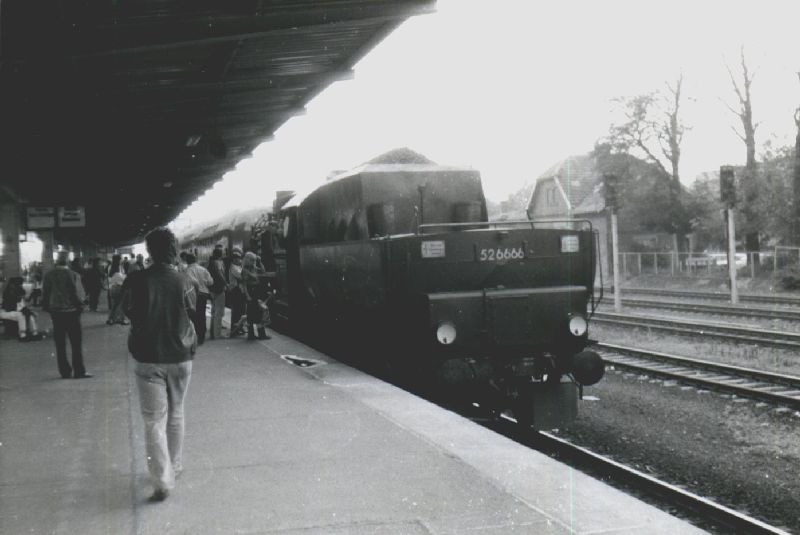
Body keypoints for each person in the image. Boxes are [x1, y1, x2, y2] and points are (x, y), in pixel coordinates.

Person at [120, 227, 197, 503]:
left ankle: (162, 480)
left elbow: (127, 310)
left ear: (149, 250)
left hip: (148, 356)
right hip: (181, 355)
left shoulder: (136, 279)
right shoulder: (184, 279)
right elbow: (193, 309)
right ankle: (174, 466)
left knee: (154, 420)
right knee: (176, 412)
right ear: (173, 248)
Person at [42, 251, 91, 379]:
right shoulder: (73, 275)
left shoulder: (48, 275)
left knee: (60, 344)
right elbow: (76, 293)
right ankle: (79, 371)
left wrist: (48, 308)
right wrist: (80, 307)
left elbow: (45, 294)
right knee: (76, 343)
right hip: (71, 312)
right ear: (68, 261)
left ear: (56, 261)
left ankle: (64, 372)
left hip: (56, 313)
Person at [182, 253, 212, 344]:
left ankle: (195, 335)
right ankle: (202, 336)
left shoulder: (186, 271)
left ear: (186, 261)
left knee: (193, 315)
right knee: (202, 314)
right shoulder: (203, 269)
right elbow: (210, 282)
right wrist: (204, 283)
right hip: (203, 294)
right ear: (196, 260)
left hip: (192, 295)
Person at [241, 252, 271, 341]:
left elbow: (263, 271)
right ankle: (253, 335)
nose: (253, 262)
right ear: (248, 260)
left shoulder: (253, 268)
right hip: (251, 292)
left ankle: (259, 334)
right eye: (252, 260)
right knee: (251, 313)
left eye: (254, 260)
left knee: (259, 312)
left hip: (256, 292)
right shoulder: (245, 271)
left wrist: (259, 261)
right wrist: (247, 296)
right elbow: (244, 285)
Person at [1, 277, 40, 341]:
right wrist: (24, 310)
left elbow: (22, 306)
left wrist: (29, 312)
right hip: (5, 312)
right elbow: (10, 308)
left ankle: (35, 333)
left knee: (30, 315)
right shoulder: (8, 294)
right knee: (21, 315)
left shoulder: (18, 294)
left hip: (14, 311)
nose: (22, 297)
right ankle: (22, 335)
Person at [207, 245, 227, 340]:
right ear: (220, 254)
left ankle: (213, 332)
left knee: (214, 312)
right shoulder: (217, 263)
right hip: (219, 289)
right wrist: (226, 283)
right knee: (219, 312)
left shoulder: (211, 262)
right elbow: (219, 274)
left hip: (212, 289)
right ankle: (217, 334)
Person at [227, 248, 246, 337]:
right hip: (236, 290)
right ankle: (234, 330)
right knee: (236, 311)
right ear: (234, 259)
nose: (239, 260)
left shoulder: (238, 266)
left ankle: (239, 327)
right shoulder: (233, 268)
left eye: (239, 258)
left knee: (241, 310)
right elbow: (241, 277)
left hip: (240, 290)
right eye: (237, 258)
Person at [107, 255, 128, 325]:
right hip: (119, 287)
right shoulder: (119, 268)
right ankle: (121, 319)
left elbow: (110, 278)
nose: (121, 260)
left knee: (114, 305)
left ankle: (111, 319)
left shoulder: (110, 267)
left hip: (112, 288)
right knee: (122, 305)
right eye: (120, 259)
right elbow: (121, 278)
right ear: (118, 260)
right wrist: (125, 276)